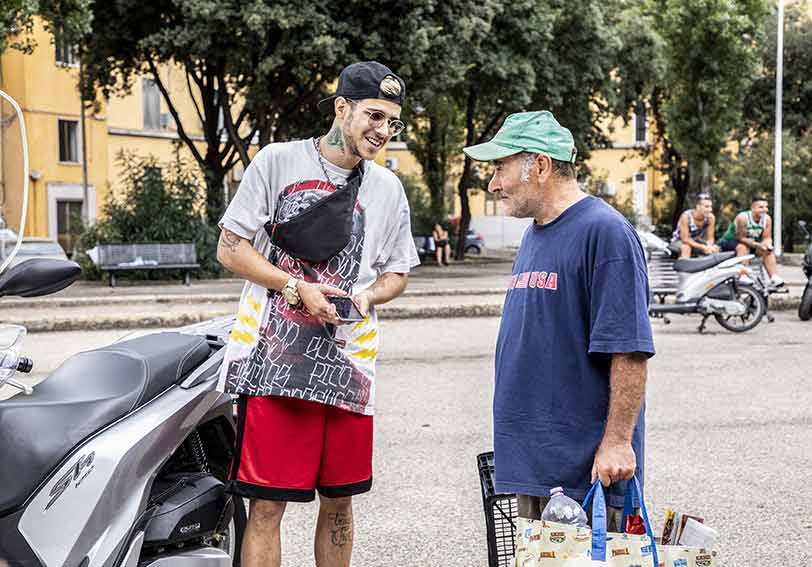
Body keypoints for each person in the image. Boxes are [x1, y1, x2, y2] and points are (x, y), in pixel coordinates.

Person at [215, 61, 419, 567]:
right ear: (342, 107)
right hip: (273, 366)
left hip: (349, 370)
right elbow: (229, 248)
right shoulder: (277, 162)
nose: (383, 130)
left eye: (392, 121)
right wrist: (294, 286)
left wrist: (369, 298)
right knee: (266, 504)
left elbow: (397, 272)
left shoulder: (387, 189)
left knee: (341, 501)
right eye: (374, 115)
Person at [463, 111, 655, 530]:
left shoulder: (605, 233)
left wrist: (619, 442)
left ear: (542, 166)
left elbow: (629, 349)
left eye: (501, 168)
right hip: (538, 466)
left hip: (585, 473)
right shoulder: (535, 233)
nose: (493, 183)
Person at [718, 195, 784, 286]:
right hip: (731, 241)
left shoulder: (767, 219)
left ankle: (774, 277)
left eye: (766, 207)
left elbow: (767, 237)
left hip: (751, 243)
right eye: (761, 207)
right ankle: (743, 275)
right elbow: (741, 238)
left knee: (767, 250)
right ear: (753, 208)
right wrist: (758, 245)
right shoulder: (743, 218)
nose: (764, 209)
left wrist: (767, 244)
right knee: (743, 247)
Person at [669, 193, 719, 257]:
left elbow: (710, 238)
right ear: (698, 207)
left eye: (710, 207)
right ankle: (685, 266)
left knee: (715, 248)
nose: (710, 209)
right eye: (706, 207)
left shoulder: (711, 217)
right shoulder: (686, 216)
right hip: (680, 241)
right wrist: (702, 247)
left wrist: (709, 246)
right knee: (686, 248)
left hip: (697, 240)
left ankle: (709, 266)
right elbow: (685, 239)